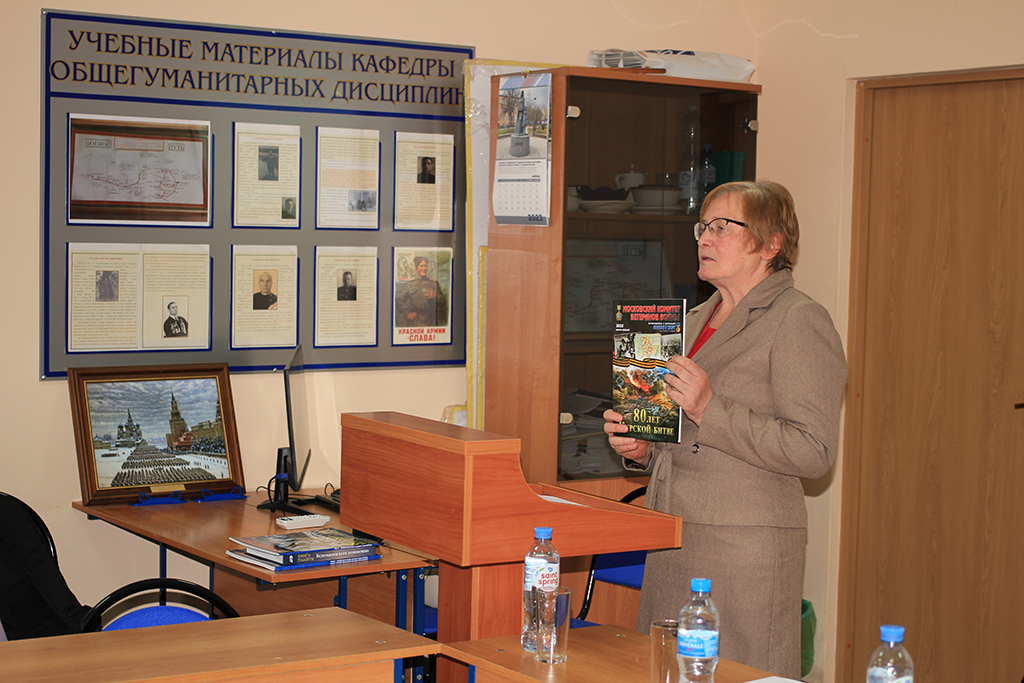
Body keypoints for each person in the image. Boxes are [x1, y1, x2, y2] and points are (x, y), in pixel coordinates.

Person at [603, 181, 846, 678]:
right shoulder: (693, 320)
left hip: (744, 554)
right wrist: (642, 449)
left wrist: (710, 408)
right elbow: (684, 438)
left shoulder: (799, 320)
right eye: (702, 227)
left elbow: (813, 451)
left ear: (770, 243)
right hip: (672, 536)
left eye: (722, 227)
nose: (705, 239)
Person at [395, 256, 447, 327]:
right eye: (421, 266)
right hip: (414, 323)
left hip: (431, 322)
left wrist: (435, 296)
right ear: (416, 268)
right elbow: (398, 299)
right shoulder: (410, 284)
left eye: (425, 266)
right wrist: (407, 313)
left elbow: (443, 302)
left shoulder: (434, 283)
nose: (424, 268)